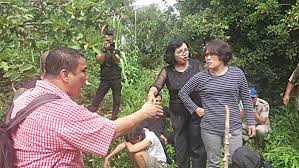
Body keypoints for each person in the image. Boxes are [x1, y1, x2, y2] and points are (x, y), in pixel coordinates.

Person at [9, 47, 163, 167]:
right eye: (83, 71)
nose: (86, 77)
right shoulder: (61, 110)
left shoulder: (27, 96)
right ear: (65, 75)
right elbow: (111, 130)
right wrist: (144, 112)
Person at [179, 39, 256, 167]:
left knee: (235, 162)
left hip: (234, 127)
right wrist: (196, 109)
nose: (207, 58)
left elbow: (246, 99)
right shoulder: (201, 77)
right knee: (213, 163)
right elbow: (183, 93)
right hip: (210, 129)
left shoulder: (237, 74)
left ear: (222, 55)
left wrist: (251, 122)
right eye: (206, 55)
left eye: (211, 55)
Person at [147, 38, 207, 168]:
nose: (185, 54)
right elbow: (157, 85)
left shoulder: (196, 66)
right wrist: (151, 93)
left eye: (186, 50)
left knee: (198, 148)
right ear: (172, 55)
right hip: (178, 115)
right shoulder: (167, 71)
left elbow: (206, 85)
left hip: (196, 112)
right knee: (181, 148)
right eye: (180, 52)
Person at [88, 30, 122, 120]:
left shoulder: (116, 50)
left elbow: (117, 60)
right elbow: (100, 61)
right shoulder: (99, 51)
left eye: (110, 42)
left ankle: (114, 117)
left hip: (116, 78)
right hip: (105, 78)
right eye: (107, 41)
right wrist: (104, 50)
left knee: (117, 99)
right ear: (104, 40)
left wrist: (112, 51)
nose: (108, 43)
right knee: (98, 97)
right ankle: (90, 115)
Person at [143, 93, 174, 164]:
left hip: (163, 132)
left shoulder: (163, 109)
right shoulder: (147, 111)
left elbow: (174, 114)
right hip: (153, 134)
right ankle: (166, 161)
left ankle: (180, 159)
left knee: (179, 136)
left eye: (160, 101)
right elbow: (145, 128)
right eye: (156, 101)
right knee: (161, 140)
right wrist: (159, 135)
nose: (158, 103)